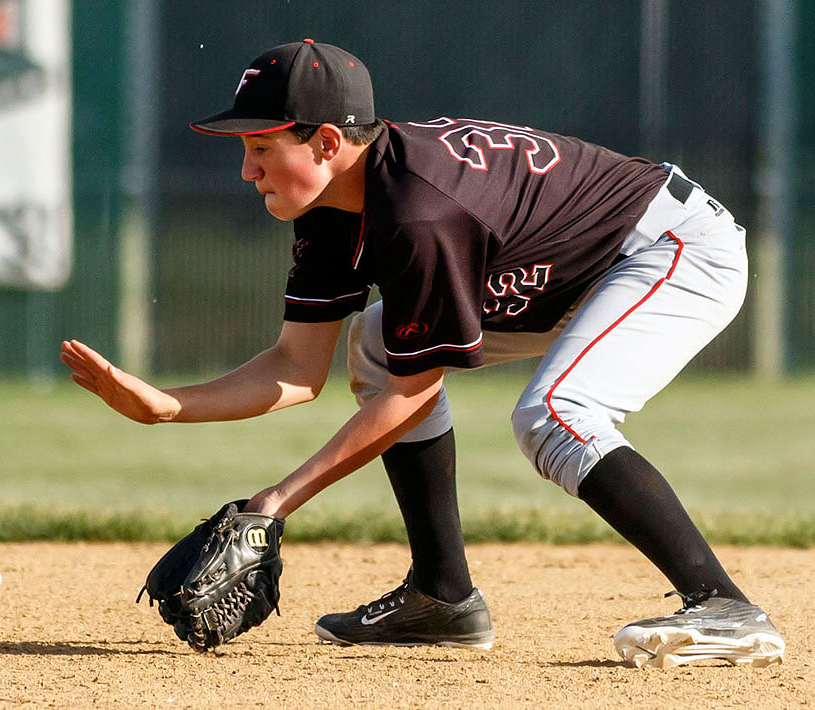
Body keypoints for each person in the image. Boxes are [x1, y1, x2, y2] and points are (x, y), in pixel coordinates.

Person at [60, 39, 785, 668]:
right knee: (374, 343)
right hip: (564, 271)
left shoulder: (421, 210)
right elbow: (295, 369)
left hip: (670, 247)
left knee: (558, 413)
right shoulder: (331, 209)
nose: (246, 171)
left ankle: (724, 606)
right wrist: (165, 407)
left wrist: (273, 504)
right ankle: (442, 598)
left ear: (325, 144)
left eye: (259, 149)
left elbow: (412, 392)